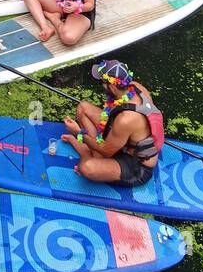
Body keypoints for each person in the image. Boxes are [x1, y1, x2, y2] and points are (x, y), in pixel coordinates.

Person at [60, 59, 164, 188]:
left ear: (113, 86)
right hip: (121, 139)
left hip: (135, 164)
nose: (101, 85)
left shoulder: (126, 119)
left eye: (102, 82)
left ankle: (87, 153)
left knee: (87, 167)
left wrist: (78, 133)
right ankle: (93, 153)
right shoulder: (134, 86)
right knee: (83, 108)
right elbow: (110, 116)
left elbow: (106, 151)